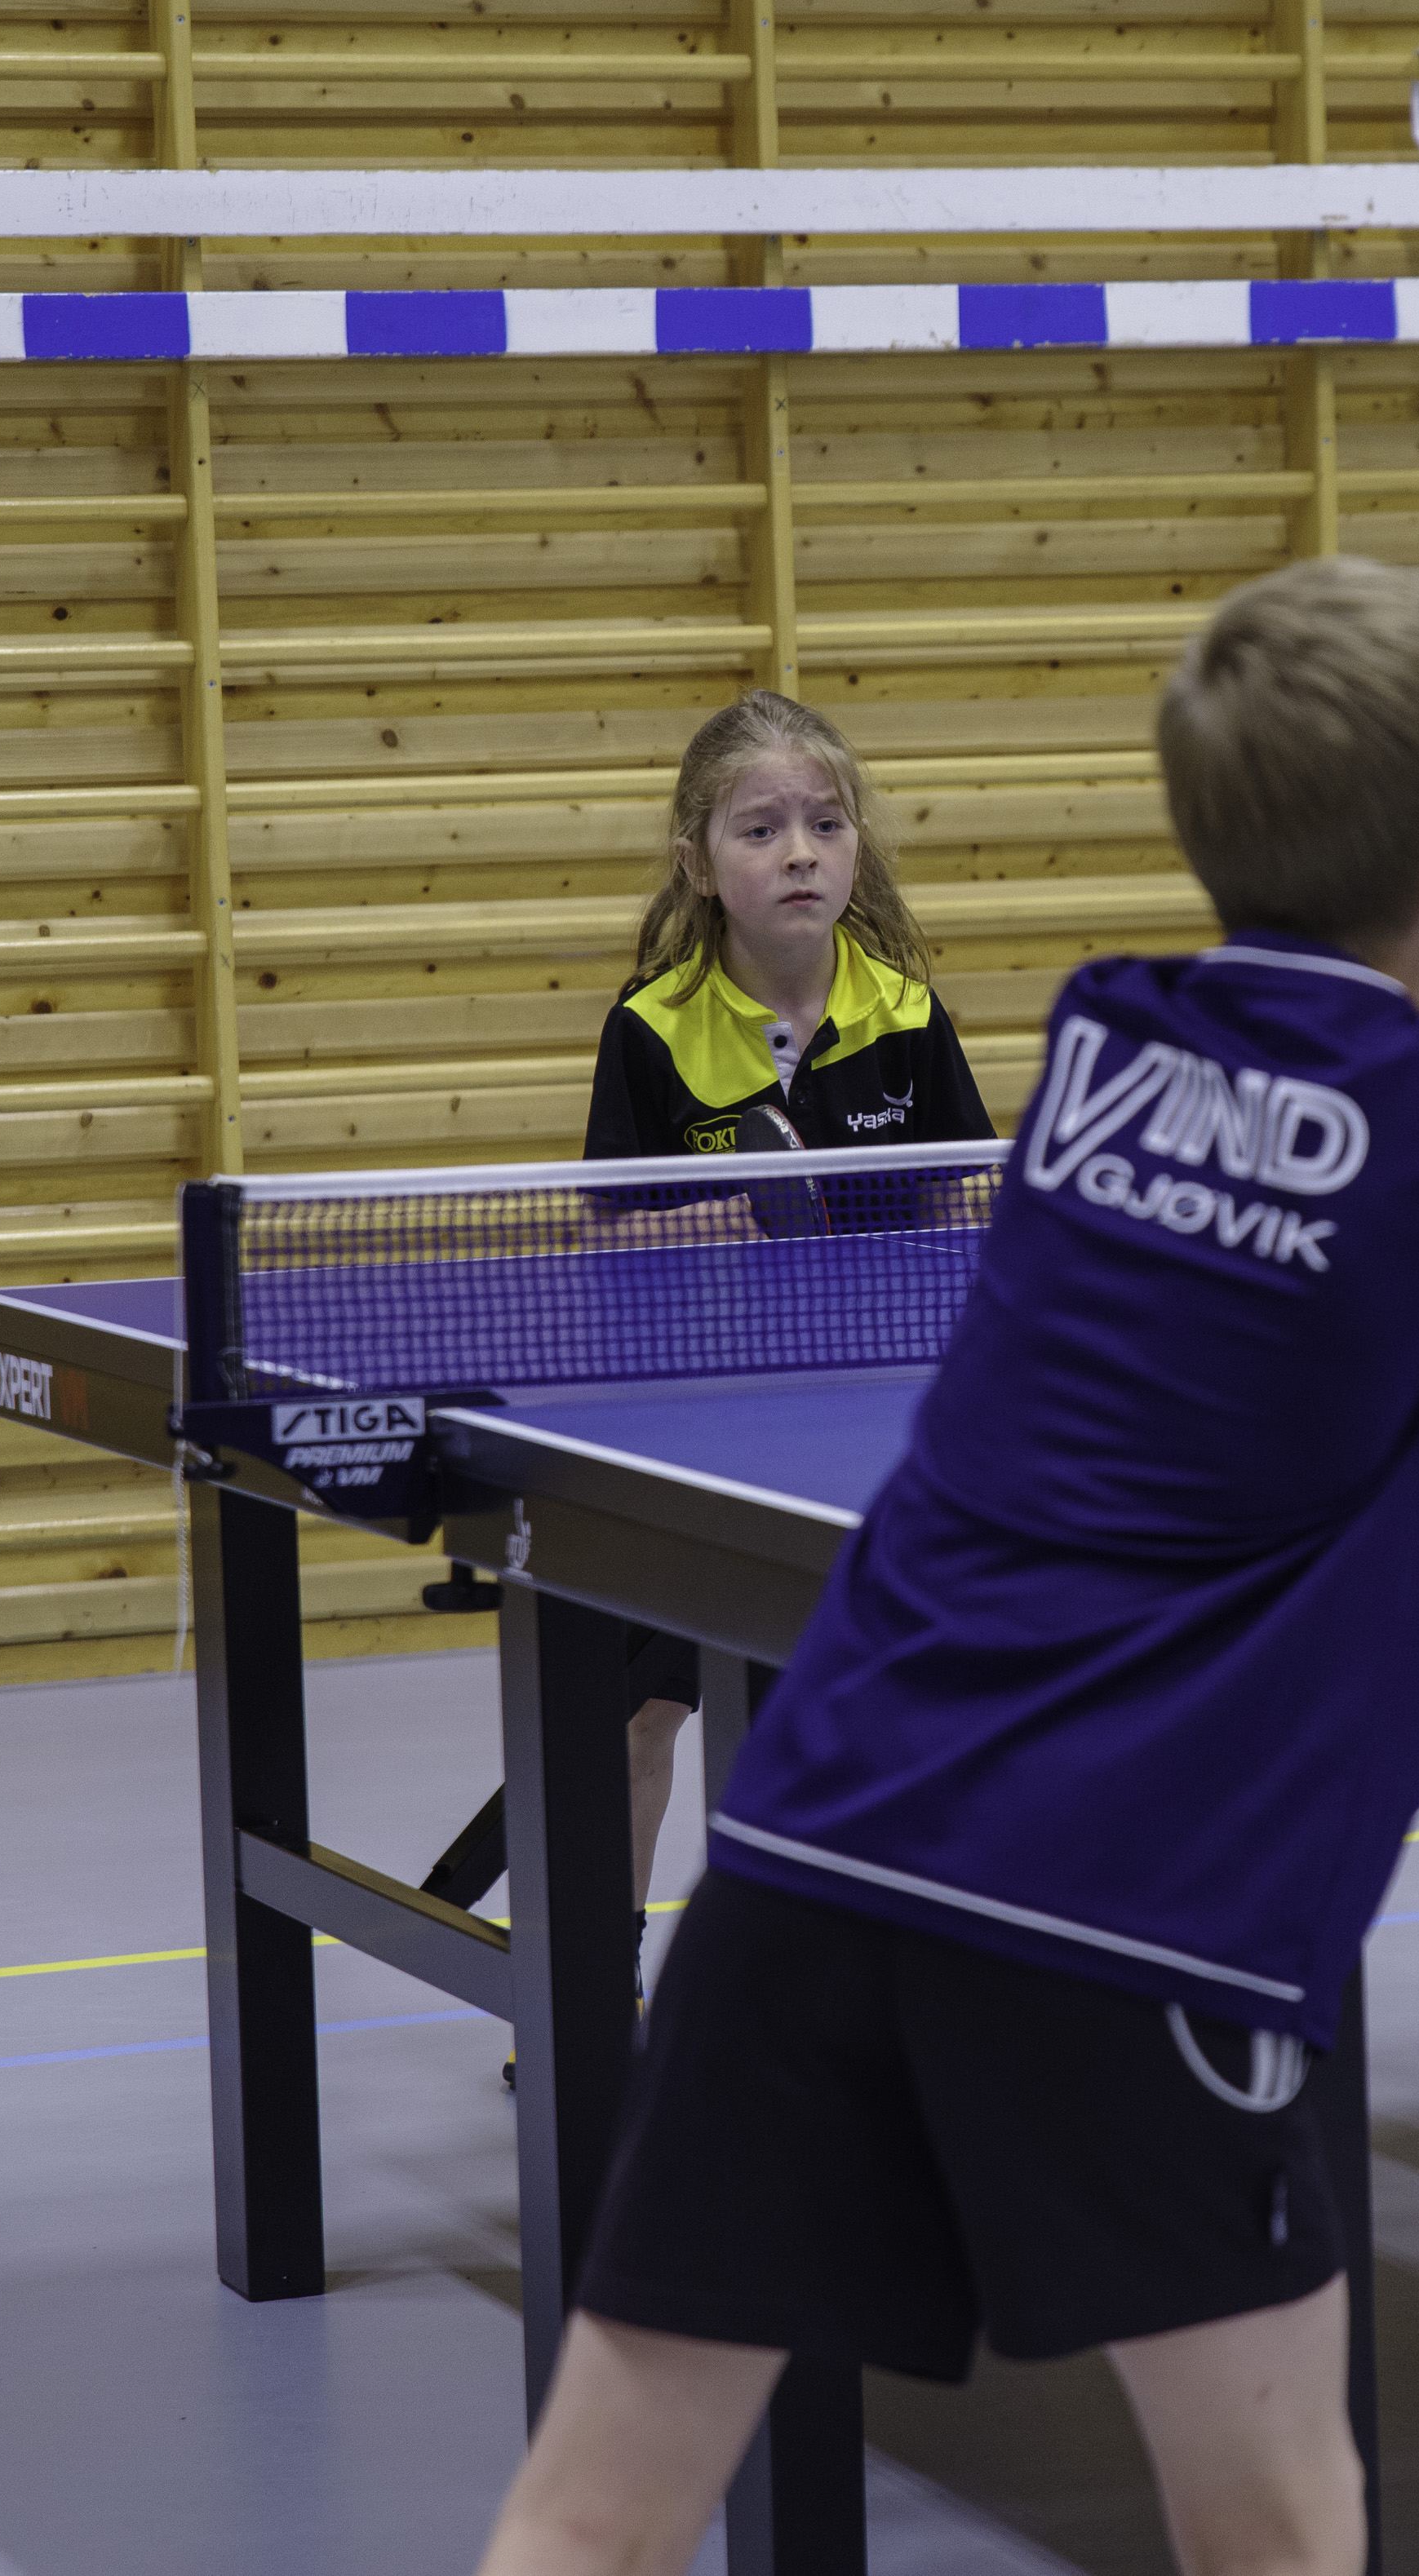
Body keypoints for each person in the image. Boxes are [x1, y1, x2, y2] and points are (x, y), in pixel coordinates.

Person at [466, 547, 1419, 2576]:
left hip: (814, 1844)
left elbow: (1372, 937)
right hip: (1129, 1916)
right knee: (1276, 2533)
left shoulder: (1110, 1036)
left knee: (587, 2520)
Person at [417, 688, 996, 1974]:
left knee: (897, 1715)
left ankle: (901, 1979)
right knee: (643, 1714)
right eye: (762, 828)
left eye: (826, 824)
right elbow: (604, 1239)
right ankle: (592, 1984)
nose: (800, 853)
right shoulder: (653, 1029)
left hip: (868, 1434)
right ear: (699, 861)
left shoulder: (907, 1017)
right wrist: (710, 1224)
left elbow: (964, 1216)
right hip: (699, 1430)